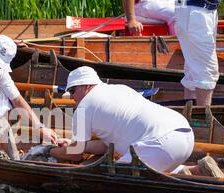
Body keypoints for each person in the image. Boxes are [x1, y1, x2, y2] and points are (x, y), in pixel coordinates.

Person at [49, 66, 195, 174]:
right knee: (152, 164)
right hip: (185, 135)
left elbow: (75, 154)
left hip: (160, 145)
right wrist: (74, 144)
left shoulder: (83, 108)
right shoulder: (120, 88)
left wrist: (49, 151)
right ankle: (195, 170)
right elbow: (107, 146)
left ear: (85, 85)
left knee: (111, 177)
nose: (71, 96)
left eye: (72, 91)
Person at [175, 0, 224, 106]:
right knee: (207, 74)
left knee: (193, 72)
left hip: (197, 12)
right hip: (196, 13)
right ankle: (202, 119)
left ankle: (191, 117)